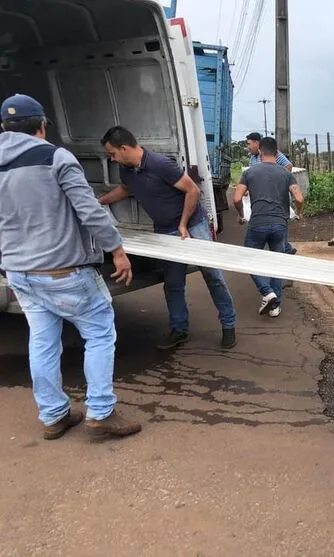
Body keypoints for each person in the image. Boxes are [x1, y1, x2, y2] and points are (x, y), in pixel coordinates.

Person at [0, 94, 141, 441]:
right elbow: (90, 210)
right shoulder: (54, 157)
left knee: (43, 341)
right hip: (62, 269)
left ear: (4, 127)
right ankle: (101, 412)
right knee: (99, 332)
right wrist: (117, 250)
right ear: (43, 125)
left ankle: (53, 415)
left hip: (19, 271)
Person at [98, 126, 238, 350]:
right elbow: (126, 189)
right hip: (164, 229)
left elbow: (192, 191)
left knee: (212, 275)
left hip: (193, 226)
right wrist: (102, 201)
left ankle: (229, 325)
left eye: (112, 154)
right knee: (173, 283)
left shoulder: (159, 164)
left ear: (124, 148)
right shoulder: (126, 170)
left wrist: (183, 224)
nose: (112, 159)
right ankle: (179, 330)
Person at [233, 137, 304, 318]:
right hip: (280, 225)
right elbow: (299, 198)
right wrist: (299, 212)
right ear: (276, 152)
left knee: (248, 259)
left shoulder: (250, 172)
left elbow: (236, 198)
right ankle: (275, 307)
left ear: (261, 152)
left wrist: (241, 215)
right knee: (276, 264)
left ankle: (266, 292)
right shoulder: (286, 174)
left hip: (257, 223)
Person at [245, 132, 298, 256]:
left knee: (275, 221)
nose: (247, 147)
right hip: (261, 196)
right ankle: (285, 249)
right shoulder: (253, 158)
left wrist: (275, 179)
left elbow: (288, 166)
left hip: (277, 196)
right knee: (273, 224)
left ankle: (284, 249)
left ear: (257, 144)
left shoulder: (274, 154)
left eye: (249, 144)